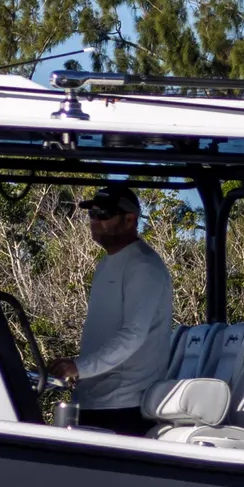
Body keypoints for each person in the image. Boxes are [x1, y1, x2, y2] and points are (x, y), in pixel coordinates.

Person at [53, 184, 178, 434]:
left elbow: (133, 334)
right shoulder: (106, 264)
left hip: (123, 407)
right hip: (93, 400)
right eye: (92, 214)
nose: (95, 221)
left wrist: (80, 367)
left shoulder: (143, 267)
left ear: (130, 219)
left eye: (104, 215)